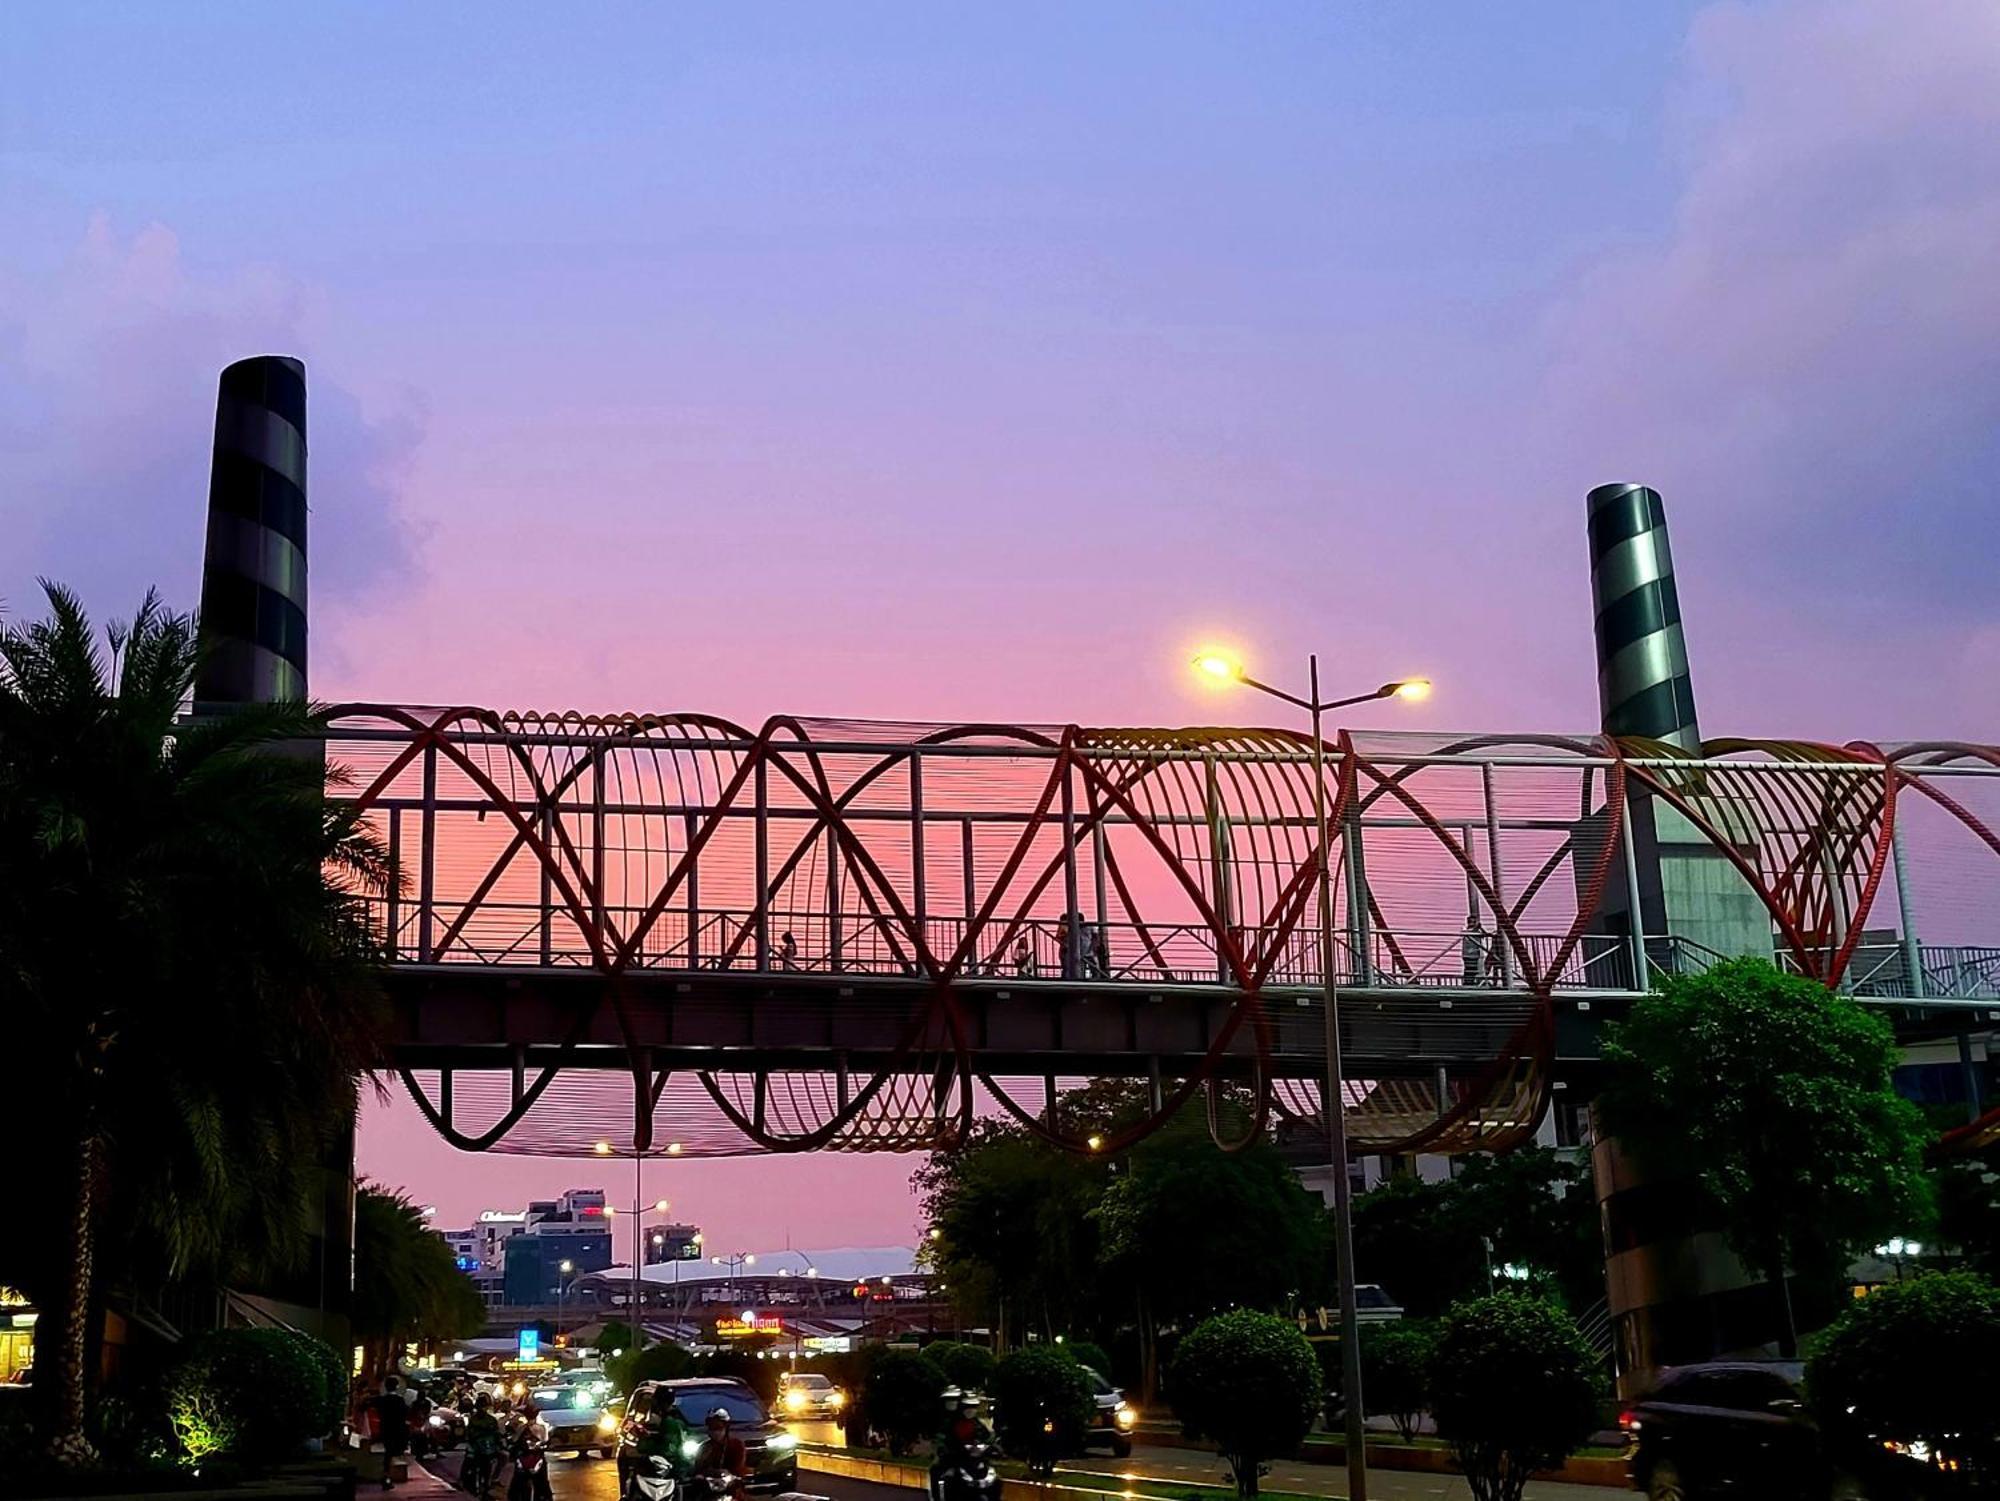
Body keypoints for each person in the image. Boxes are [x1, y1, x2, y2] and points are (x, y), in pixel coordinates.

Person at [691, 1406, 749, 1498]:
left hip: (731, 1491)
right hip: (708, 1492)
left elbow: (737, 1469)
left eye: (718, 1427)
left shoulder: (736, 1445)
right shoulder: (704, 1447)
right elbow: (698, 1469)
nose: (715, 1431)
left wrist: (729, 1476)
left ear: (726, 1428)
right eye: (711, 1427)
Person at [370, 1376, 412, 1490]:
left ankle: (386, 1476)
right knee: (392, 1453)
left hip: (385, 1428)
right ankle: (387, 1477)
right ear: (397, 1386)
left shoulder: (382, 1400)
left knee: (388, 1453)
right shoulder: (399, 1400)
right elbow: (405, 1414)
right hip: (397, 1429)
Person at [462, 1394, 503, 1498]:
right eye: (481, 1406)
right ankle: (463, 1479)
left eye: (484, 1406)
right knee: (468, 1460)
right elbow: (469, 1435)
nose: (482, 1409)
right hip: (476, 1447)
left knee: (500, 1459)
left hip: (489, 1448)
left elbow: (497, 1434)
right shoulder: (473, 1420)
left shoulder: (491, 1420)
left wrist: (499, 1444)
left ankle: (490, 1482)